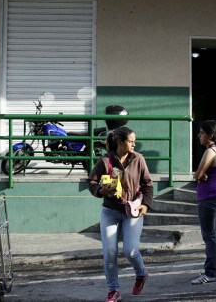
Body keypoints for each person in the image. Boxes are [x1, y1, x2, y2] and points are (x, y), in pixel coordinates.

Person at [88, 127, 153, 302]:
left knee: (130, 251)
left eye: (134, 141)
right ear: (119, 142)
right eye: (131, 141)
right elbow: (91, 182)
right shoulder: (105, 161)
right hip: (109, 212)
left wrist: (145, 205)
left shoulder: (138, 159)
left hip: (132, 211)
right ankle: (113, 290)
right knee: (109, 252)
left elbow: (147, 184)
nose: (134, 144)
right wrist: (101, 190)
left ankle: (141, 274)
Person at [191, 120, 216, 284]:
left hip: (209, 199)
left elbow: (198, 174)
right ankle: (212, 269)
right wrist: (202, 175)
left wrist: (201, 175)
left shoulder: (210, 152)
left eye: (201, 133)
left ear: (210, 135)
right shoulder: (214, 151)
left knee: (210, 236)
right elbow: (202, 175)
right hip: (210, 198)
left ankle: (211, 272)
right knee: (211, 235)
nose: (199, 135)